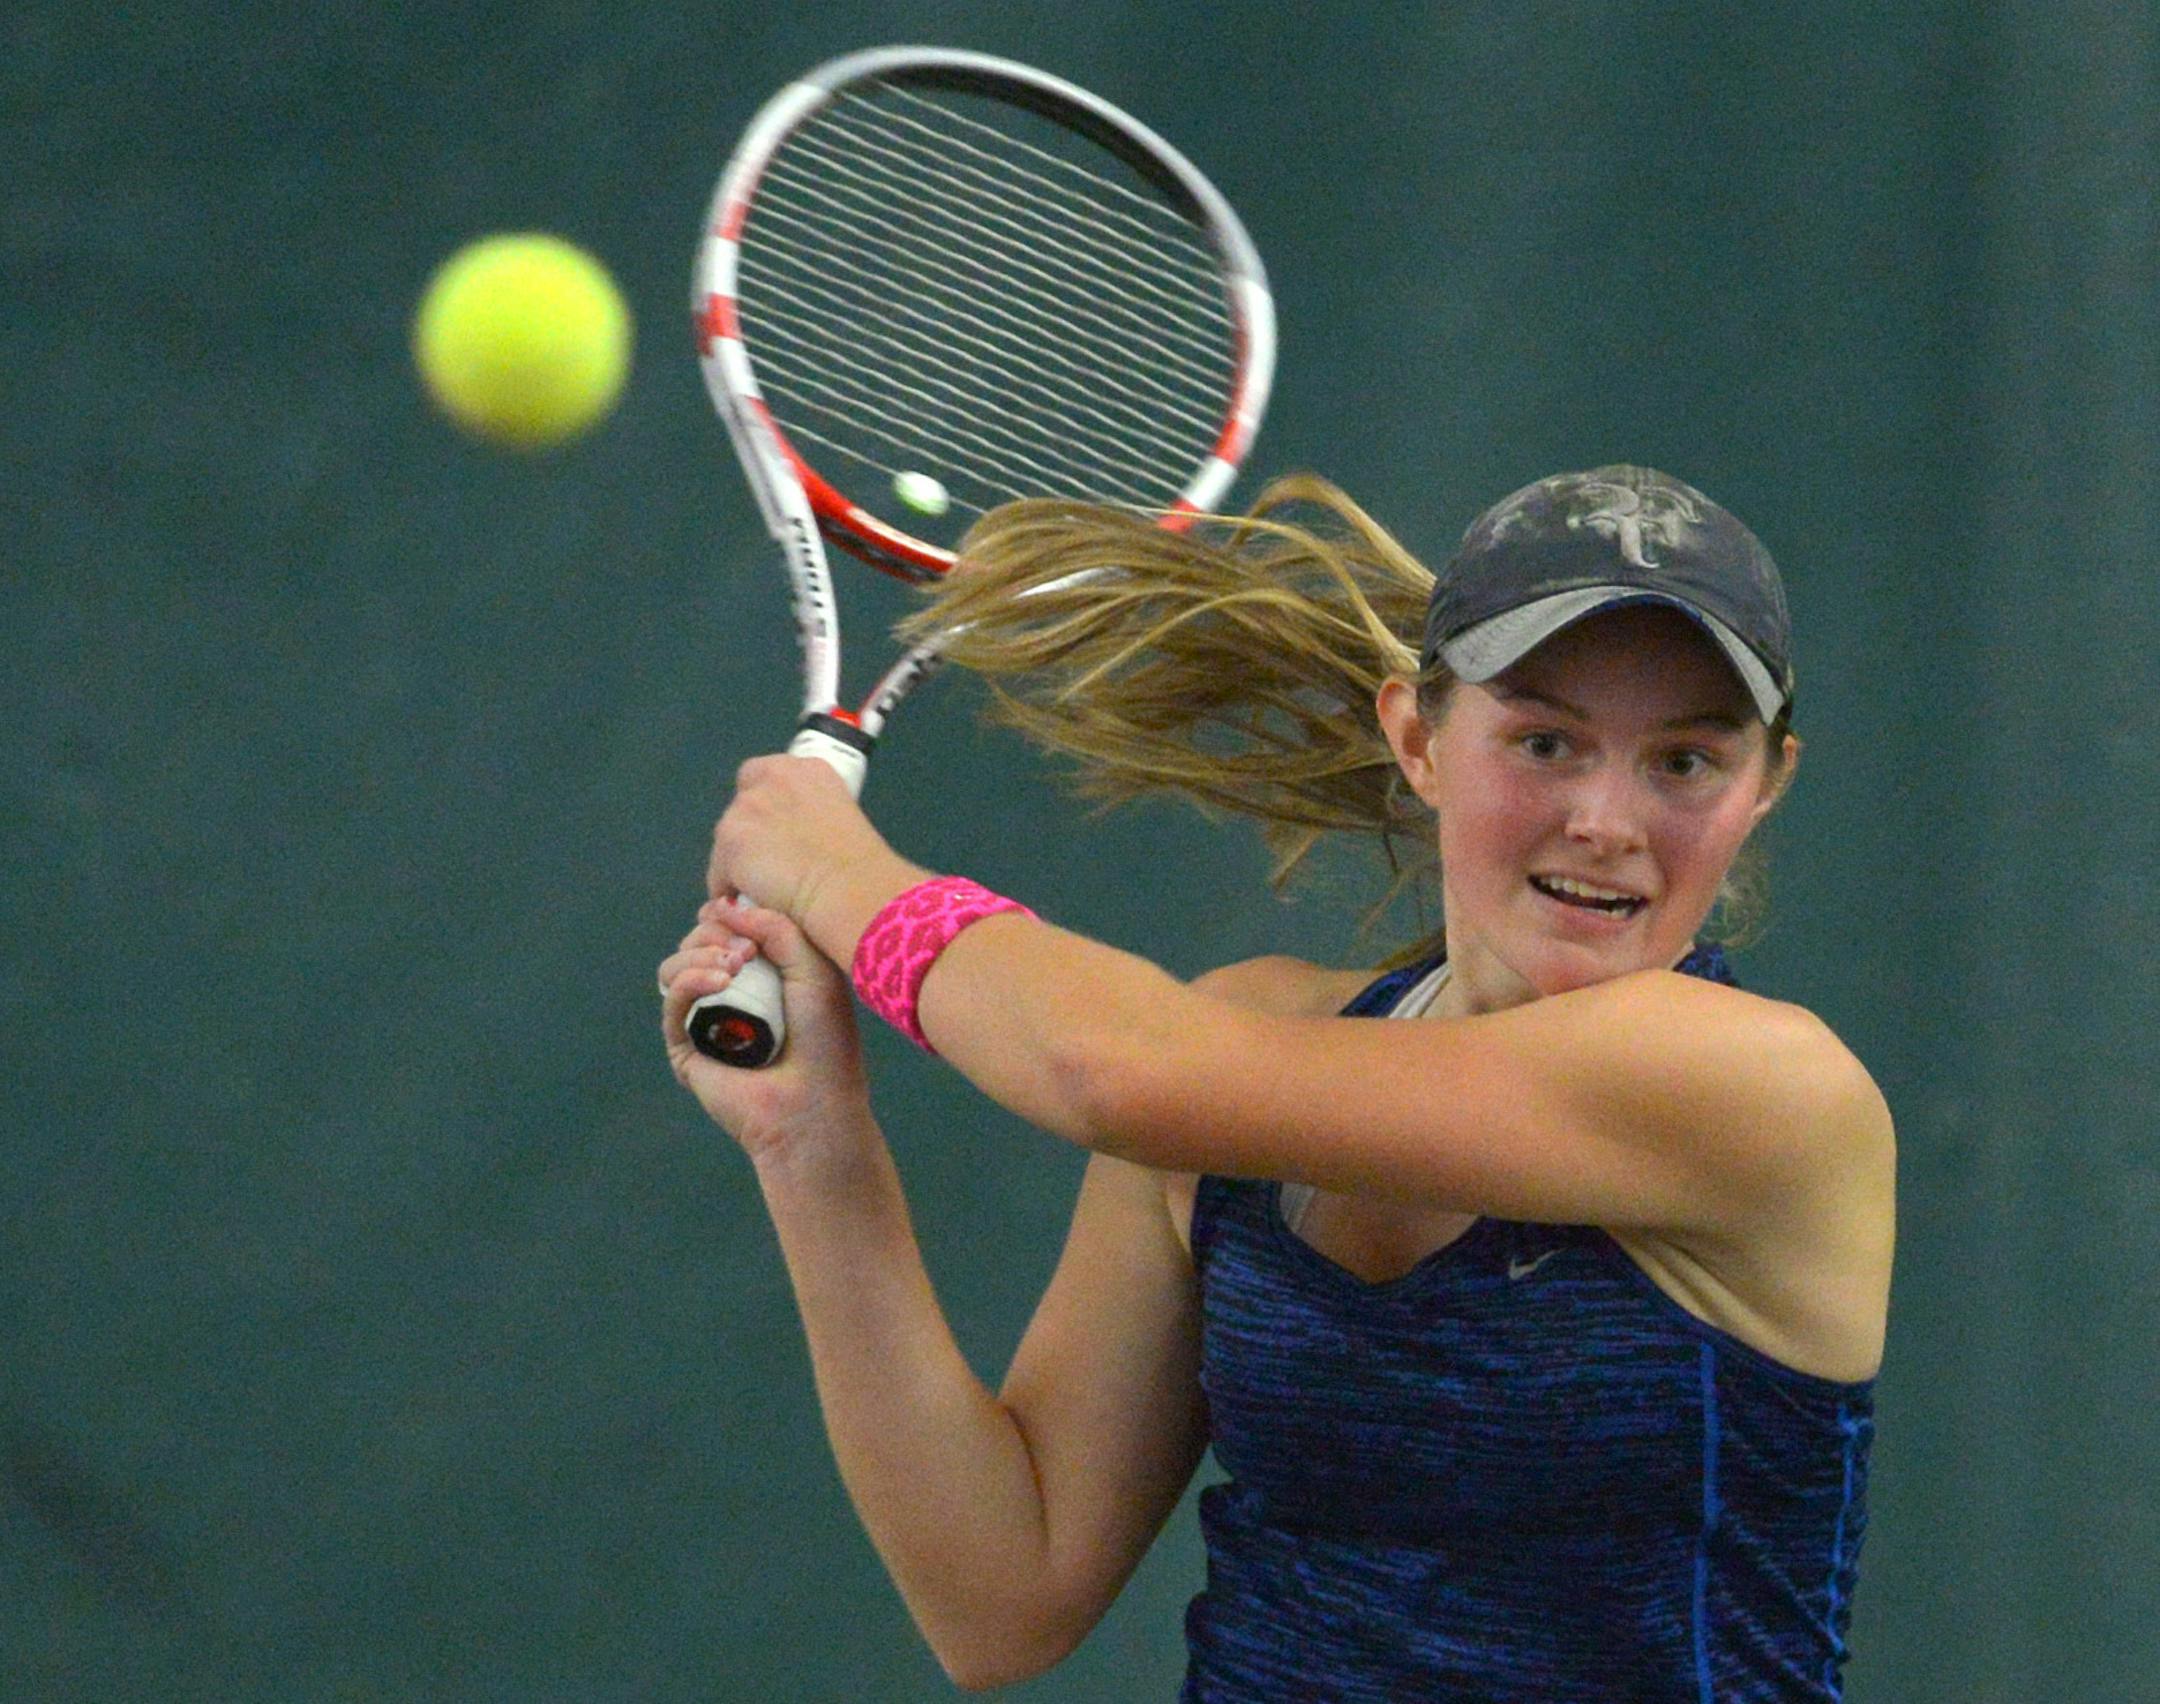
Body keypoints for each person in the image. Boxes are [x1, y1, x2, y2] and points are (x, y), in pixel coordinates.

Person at [658, 466, 1894, 1702]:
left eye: (1683, 763)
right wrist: (814, 1145)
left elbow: (1109, 1068)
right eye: (1545, 741)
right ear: (1418, 738)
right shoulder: (1249, 1038)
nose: (1607, 819)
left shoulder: (1762, 1090)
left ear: (1765, 786)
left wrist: (835, 872)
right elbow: (1003, 1595)